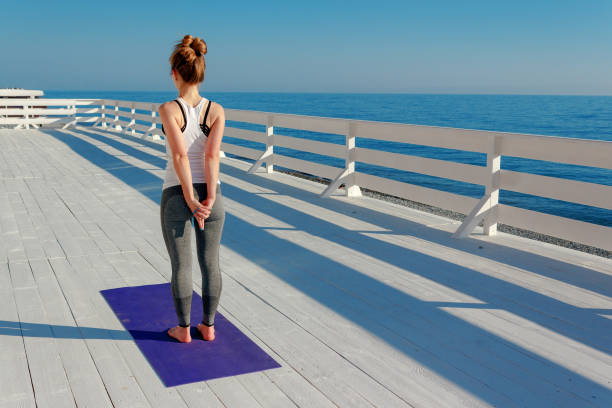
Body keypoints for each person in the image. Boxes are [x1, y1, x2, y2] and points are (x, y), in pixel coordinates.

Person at [159, 34, 226, 343]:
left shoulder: (169, 109)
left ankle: (184, 329)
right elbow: (211, 156)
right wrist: (209, 197)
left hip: (177, 193)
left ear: (175, 73)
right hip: (213, 197)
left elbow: (179, 155)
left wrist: (189, 197)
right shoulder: (217, 110)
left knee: (181, 265)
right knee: (210, 262)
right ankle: (208, 327)